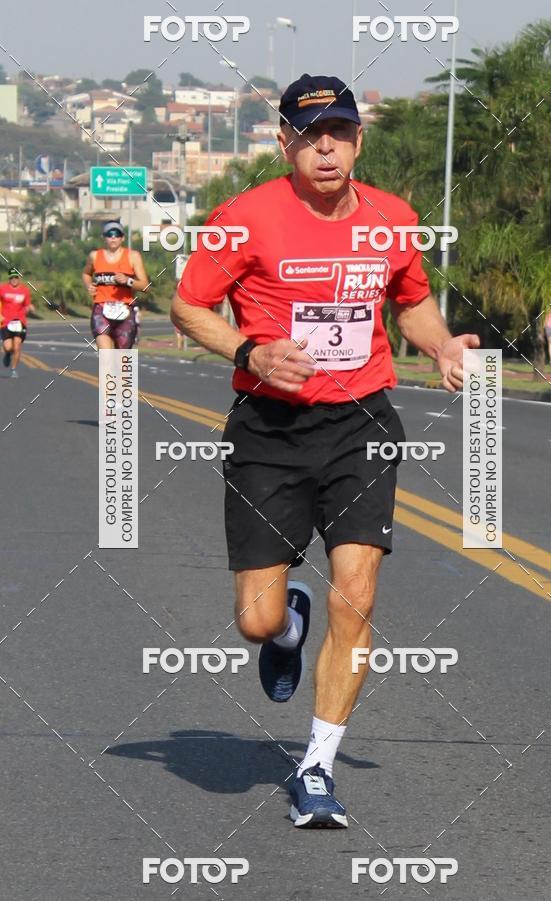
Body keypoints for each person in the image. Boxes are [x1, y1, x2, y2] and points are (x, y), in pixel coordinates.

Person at [172, 73, 479, 829]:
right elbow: (186, 304)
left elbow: (410, 299)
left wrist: (440, 346)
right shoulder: (241, 219)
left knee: (360, 592)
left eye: (339, 132)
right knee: (255, 615)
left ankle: (316, 767)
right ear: (285, 144)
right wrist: (250, 350)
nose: (326, 148)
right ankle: (285, 625)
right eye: (310, 136)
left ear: (358, 140)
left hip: (360, 426)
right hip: (269, 431)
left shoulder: (393, 217)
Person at [82, 221, 149, 349]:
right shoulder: (95, 256)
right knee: (106, 355)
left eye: (117, 234)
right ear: (104, 237)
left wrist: (128, 281)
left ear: (122, 238)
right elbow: (86, 274)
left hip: (125, 309)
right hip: (101, 309)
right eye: (109, 234)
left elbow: (145, 286)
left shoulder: (133, 256)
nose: (113, 237)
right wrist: (88, 285)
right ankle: (108, 369)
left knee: (125, 362)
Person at [0, 267, 34, 378]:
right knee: (8, 347)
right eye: (12, 277)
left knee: (17, 346)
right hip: (6, 322)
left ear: (19, 278)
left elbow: (27, 304)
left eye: (16, 277)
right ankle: (7, 354)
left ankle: (14, 369)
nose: (14, 279)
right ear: (9, 278)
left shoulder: (25, 290)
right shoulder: (3, 289)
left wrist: (30, 308)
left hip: (20, 322)